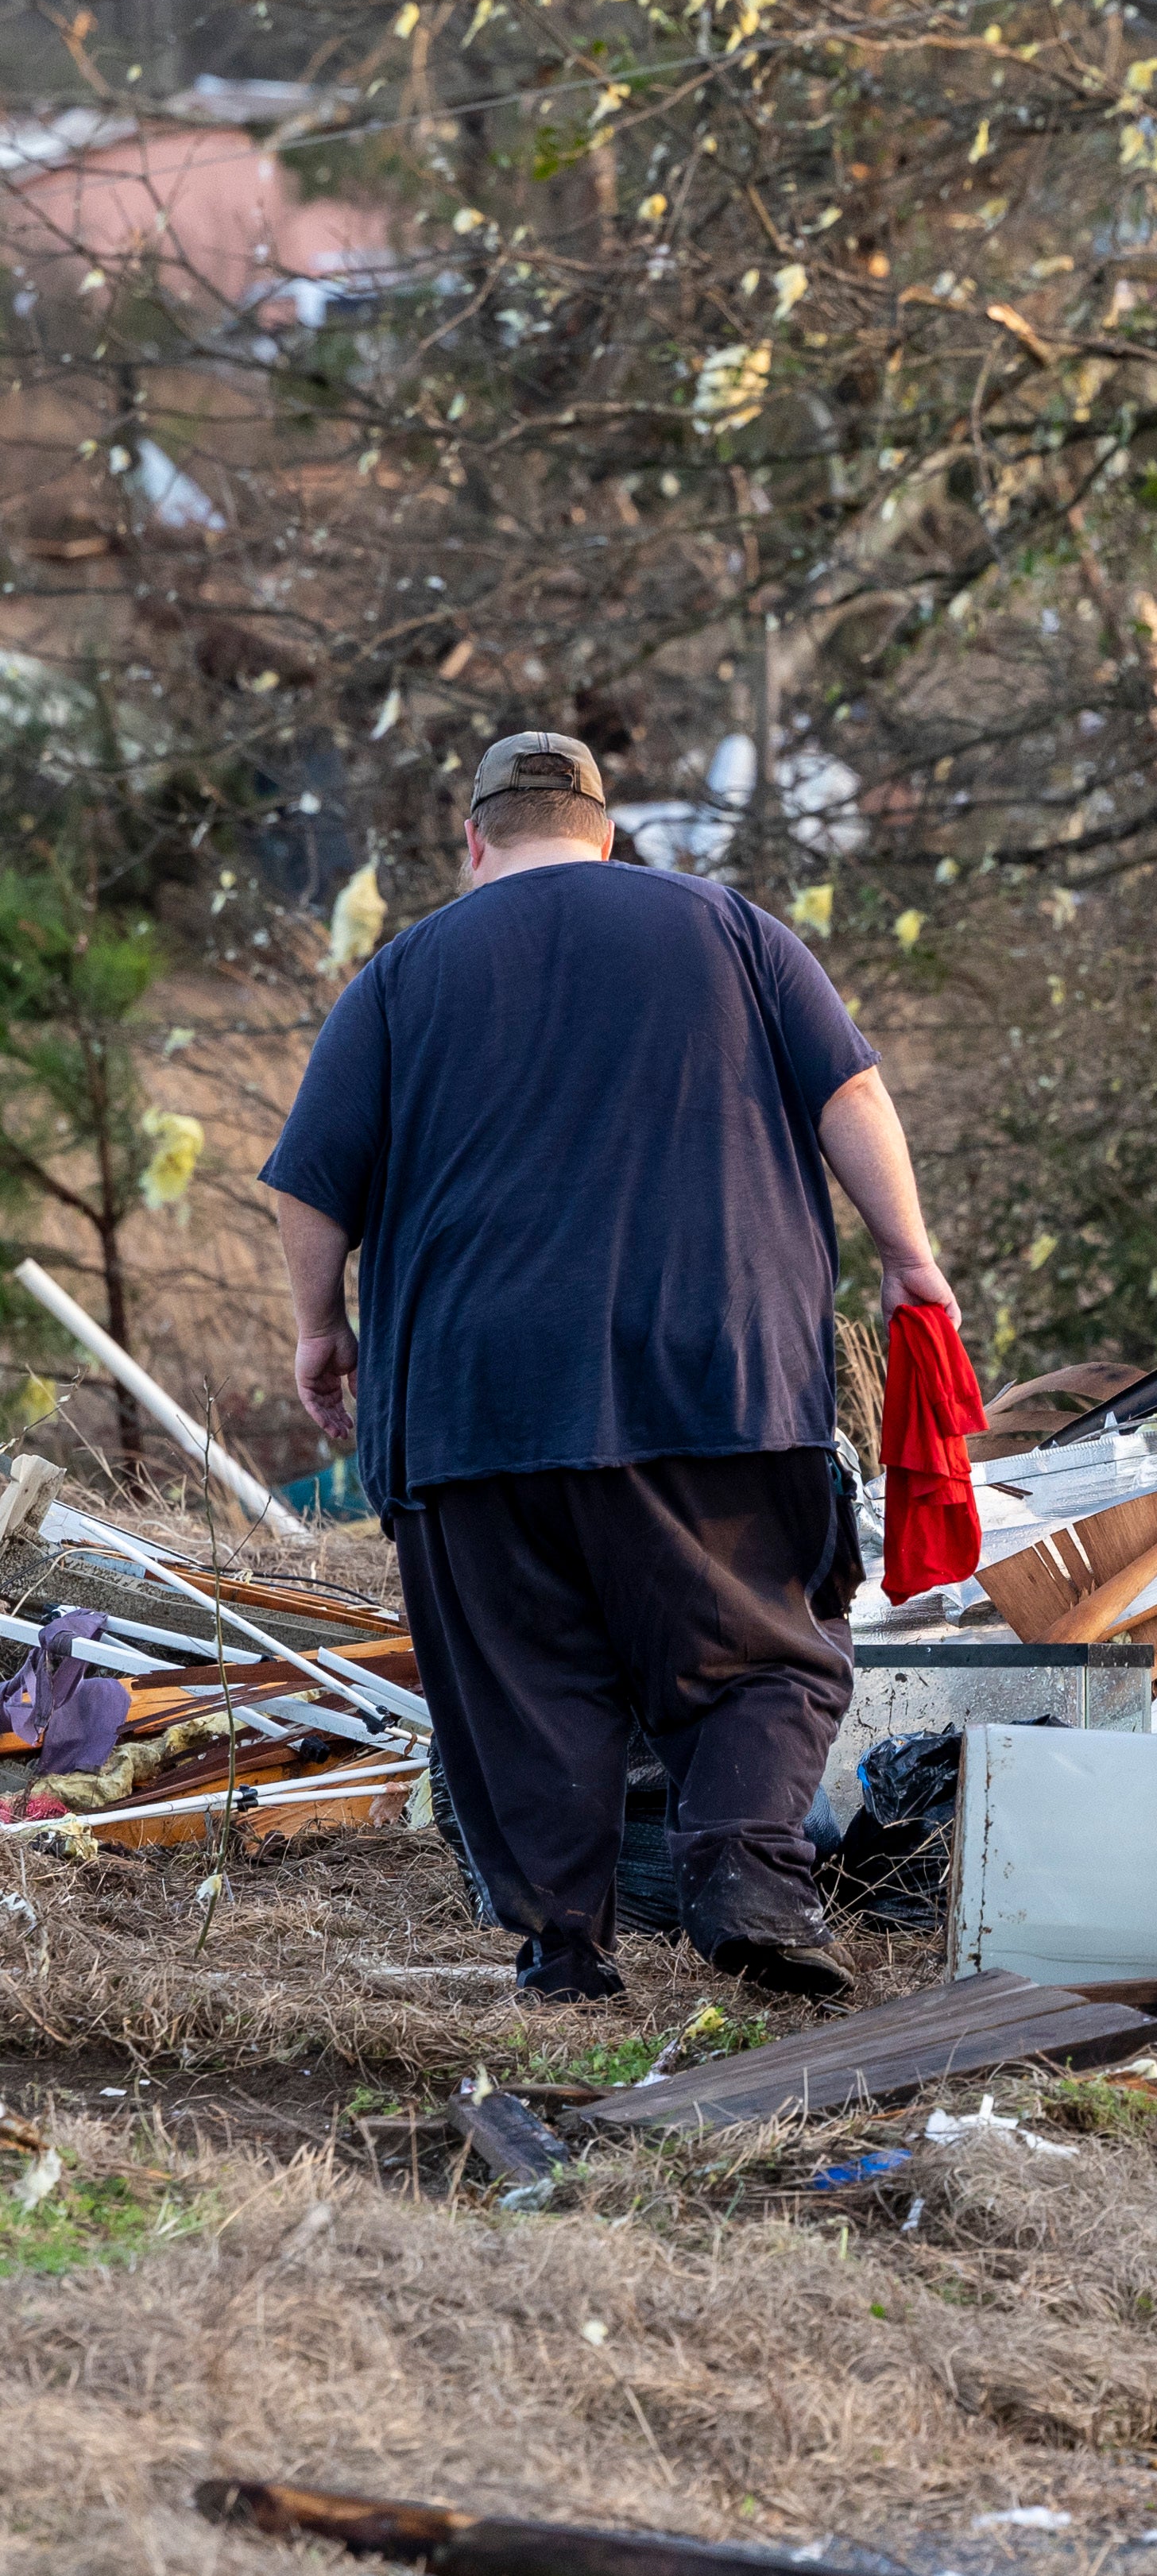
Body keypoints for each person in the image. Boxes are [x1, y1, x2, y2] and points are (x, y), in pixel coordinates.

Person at [262, 732, 960, 2002]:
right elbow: (851, 1095)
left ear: (473, 841)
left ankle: (565, 1953)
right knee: (765, 1649)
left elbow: (310, 1181)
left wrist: (322, 1329)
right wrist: (909, 1258)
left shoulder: (402, 973)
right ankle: (746, 1875)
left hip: (472, 1401)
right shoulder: (731, 929)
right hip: (718, 1374)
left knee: (525, 1685)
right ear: (608, 832)